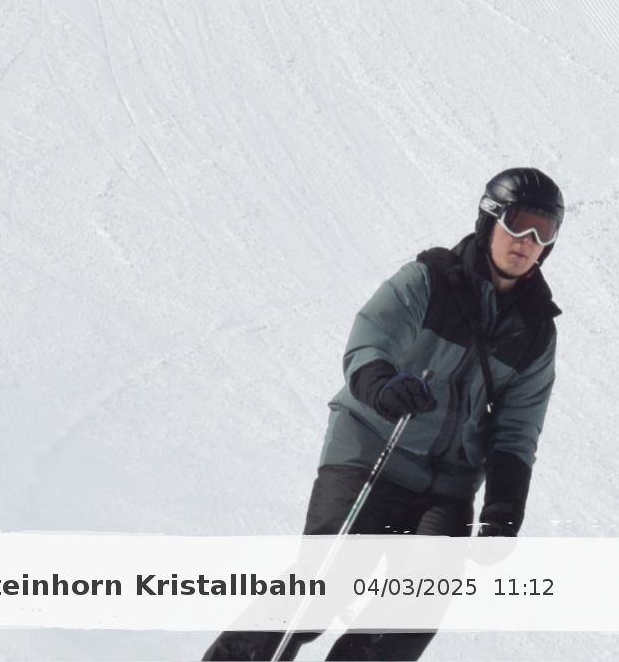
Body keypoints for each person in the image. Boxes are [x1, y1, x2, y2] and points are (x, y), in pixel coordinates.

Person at [204, 168, 565, 662]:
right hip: (372, 449)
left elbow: (517, 427)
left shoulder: (536, 331)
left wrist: (503, 509)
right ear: (489, 219)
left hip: (448, 483)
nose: (527, 242)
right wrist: (384, 386)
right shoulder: (430, 280)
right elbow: (373, 338)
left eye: (543, 231)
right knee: (325, 583)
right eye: (519, 223)